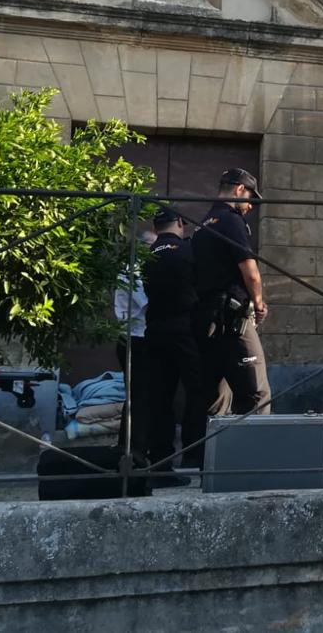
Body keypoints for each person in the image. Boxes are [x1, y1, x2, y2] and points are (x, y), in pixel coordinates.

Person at [192, 168, 272, 417]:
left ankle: (206, 455)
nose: (249, 206)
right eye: (249, 198)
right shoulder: (231, 219)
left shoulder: (201, 226)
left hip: (206, 320)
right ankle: (254, 456)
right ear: (239, 189)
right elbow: (250, 271)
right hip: (233, 318)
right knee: (256, 395)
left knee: (216, 397)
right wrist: (258, 305)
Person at [136, 207, 203, 485]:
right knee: (198, 393)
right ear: (179, 222)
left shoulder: (147, 256)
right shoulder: (188, 251)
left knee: (160, 398)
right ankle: (196, 456)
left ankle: (161, 463)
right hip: (187, 329)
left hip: (155, 331)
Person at [114, 229, 154, 449]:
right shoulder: (133, 271)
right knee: (139, 399)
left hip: (136, 339)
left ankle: (131, 447)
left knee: (140, 398)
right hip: (135, 340)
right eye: (152, 245)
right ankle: (132, 450)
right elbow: (148, 302)